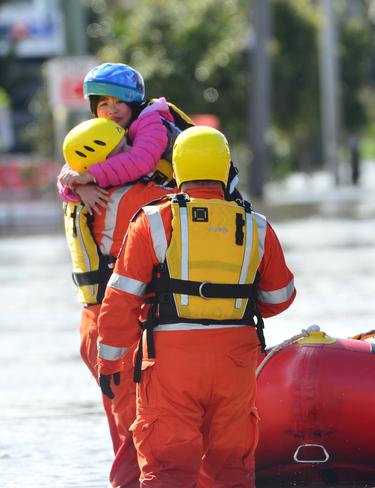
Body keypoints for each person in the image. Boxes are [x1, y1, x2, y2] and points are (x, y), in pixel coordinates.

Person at [96, 126, 296, 487]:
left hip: (171, 363)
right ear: (225, 168)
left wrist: (109, 363)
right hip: (235, 359)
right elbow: (280, 297)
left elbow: (120, 301)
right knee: (231, 470)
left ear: (177, 170)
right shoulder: (256, 225)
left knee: (167, 469)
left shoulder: (154, 221)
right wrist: (230, 304)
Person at [62, 118, 176, 487]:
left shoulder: (89, 195)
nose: (130, 158)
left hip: (97, 322)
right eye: (120, 151)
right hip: (117, 325)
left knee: (125, 429)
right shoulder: (129, 197)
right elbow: (191, 200)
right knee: (135, 432)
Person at [57, 62, 191, 213]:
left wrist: (90, 175)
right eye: (104, 104)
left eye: (119, 102)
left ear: (133, 104)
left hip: (184, 202)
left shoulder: (151, 121)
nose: (112, 110)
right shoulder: (103, 129)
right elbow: (71, 168)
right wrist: (79, 187)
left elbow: (141, 160)